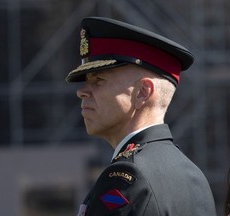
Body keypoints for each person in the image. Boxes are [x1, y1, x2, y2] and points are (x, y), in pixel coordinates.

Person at [65, 17, 217, 216]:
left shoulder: (126, 179)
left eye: (99, 80)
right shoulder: (195, 177)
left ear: (143, 92)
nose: (82, 92)